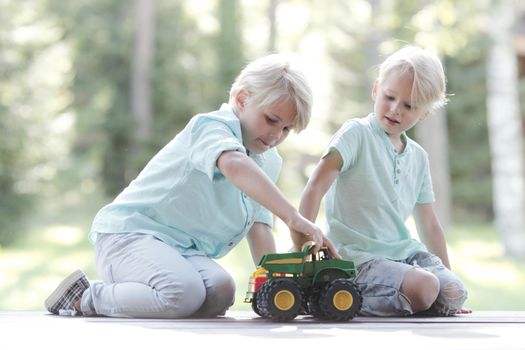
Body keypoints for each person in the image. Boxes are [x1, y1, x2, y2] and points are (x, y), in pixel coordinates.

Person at [45, 53, 338, 318]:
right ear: (242, 100)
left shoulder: (268, 161)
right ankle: (83, 297)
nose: (276, 134)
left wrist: (277, 280)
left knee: (221, 291)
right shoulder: (211, 127)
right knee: (183, 293)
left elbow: (258, 226)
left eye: (286, 129)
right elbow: (234, 165)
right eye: (271, 120)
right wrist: (292, 217)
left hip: (181, 250)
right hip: (129, 237)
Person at [293, 46, 468, 316]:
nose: (396, 109)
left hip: (405, 254)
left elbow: (430, 224)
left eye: (409, 106)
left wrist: (446, 274)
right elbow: (315, 186)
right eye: (390, 97)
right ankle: (329, 296)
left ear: (424, 114)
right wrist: (301, 244)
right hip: (356, 258)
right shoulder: (356, 134)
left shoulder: (419, 157)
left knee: (453, 292)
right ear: (376, 90)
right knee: (425, 287)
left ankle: (411, 295)